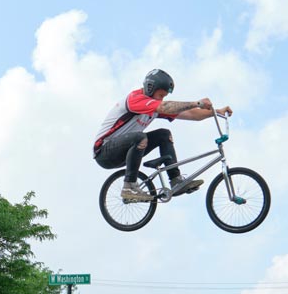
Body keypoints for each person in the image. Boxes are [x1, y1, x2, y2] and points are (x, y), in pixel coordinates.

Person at [93, 68, 232, 201]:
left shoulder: (154, 107)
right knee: (140, 137)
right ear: (150, 88)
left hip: (126, 151)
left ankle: (176, 180)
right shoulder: (135, 99)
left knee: (164, 135)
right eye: (160, 95)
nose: (161, 99)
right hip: (104, 152)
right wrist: (197, 103)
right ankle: (129, 186)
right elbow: (165, 106)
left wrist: (216, 112)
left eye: (164, 97)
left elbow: (191, 114)